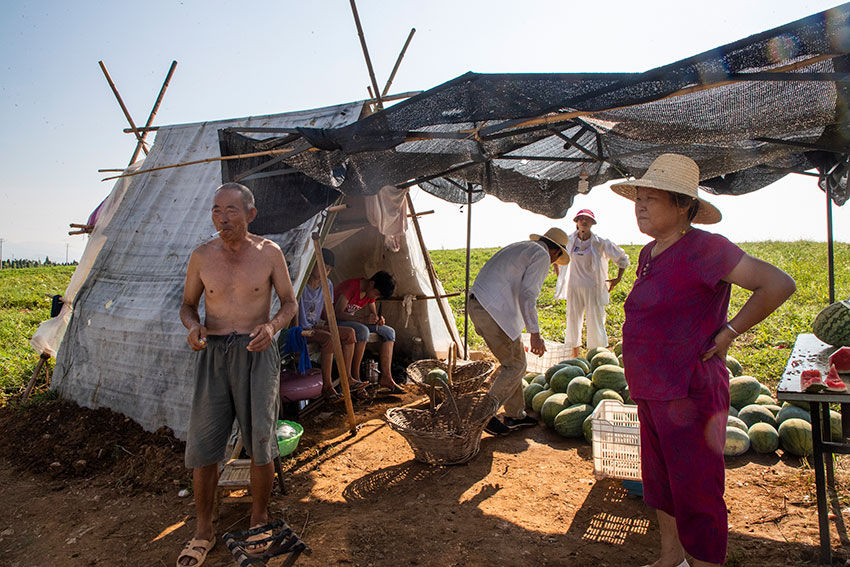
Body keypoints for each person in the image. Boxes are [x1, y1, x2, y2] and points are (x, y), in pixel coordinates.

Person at [610, 154, 795, 567]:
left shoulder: (708, 249)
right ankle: (670, 559)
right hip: (652, 391)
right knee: (660, 485)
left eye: (650, 198)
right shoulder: (648, 254)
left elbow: (777, 284)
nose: (639, 205)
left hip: (690, 394)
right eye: (637, 197)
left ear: (683, 206)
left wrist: (729, 331)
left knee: (697, 493)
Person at [177, 182, 298, 567]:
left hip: (256, 351)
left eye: (230, 210)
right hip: (213, 354)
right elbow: (187, 305)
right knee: (204, 445)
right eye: (216, 210)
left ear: (250, 214)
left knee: (261, 440)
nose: (222, 218)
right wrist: (193, 328)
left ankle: (258, 518)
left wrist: (273, 327)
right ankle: (202, 528)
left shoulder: (269, 253)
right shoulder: (201, 256)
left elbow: (290, 302)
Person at [468, 228, 570, 436]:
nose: (552, 265)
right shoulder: (542, 256)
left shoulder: (524, 247)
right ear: (555, 253)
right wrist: (535, 333)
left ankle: (516, 414)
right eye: (555, 261)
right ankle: (483, 416)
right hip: (493, 310)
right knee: (515, 366)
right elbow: (528, 295)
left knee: (515, 363)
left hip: (480, 304)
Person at [553, 208, 630, 357]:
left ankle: (596, 355)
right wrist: (559, 274)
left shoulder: (600, 243)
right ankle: (575, 356)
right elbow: (555, 254)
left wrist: (618, 278)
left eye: (587, 219)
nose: (584, 221)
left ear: (592, 223)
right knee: (573, 319)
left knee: (595, 320)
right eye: (580, 218)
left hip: (593, 287)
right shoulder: (568, 241)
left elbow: (622, 259)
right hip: (574, 287)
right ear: (576, 222)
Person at [297, 248, 365, 402]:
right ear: (313, 264)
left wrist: (331, 326)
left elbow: (329, 312)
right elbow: (293, 309)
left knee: (350, 334)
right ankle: (327, 387)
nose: (325, 271)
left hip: (314, 326)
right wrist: (296, 331)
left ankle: (347, 378)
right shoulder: (301, 282)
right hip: (301, 329)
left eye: (328, 269)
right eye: (322, 267)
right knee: (328, 339)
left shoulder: (327, 284)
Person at [334, 271, 404, 393]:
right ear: (371, 284)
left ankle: (386, 377)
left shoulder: (369, 292)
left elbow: (373, 314)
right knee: (362, 330)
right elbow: (337, 313)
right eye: (376, 294)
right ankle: (355, 378)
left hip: (351, 322)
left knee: (389, 332)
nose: (374, 298)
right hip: (335, 322)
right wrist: (362, 319)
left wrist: (378, 319)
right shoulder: (351, 287)